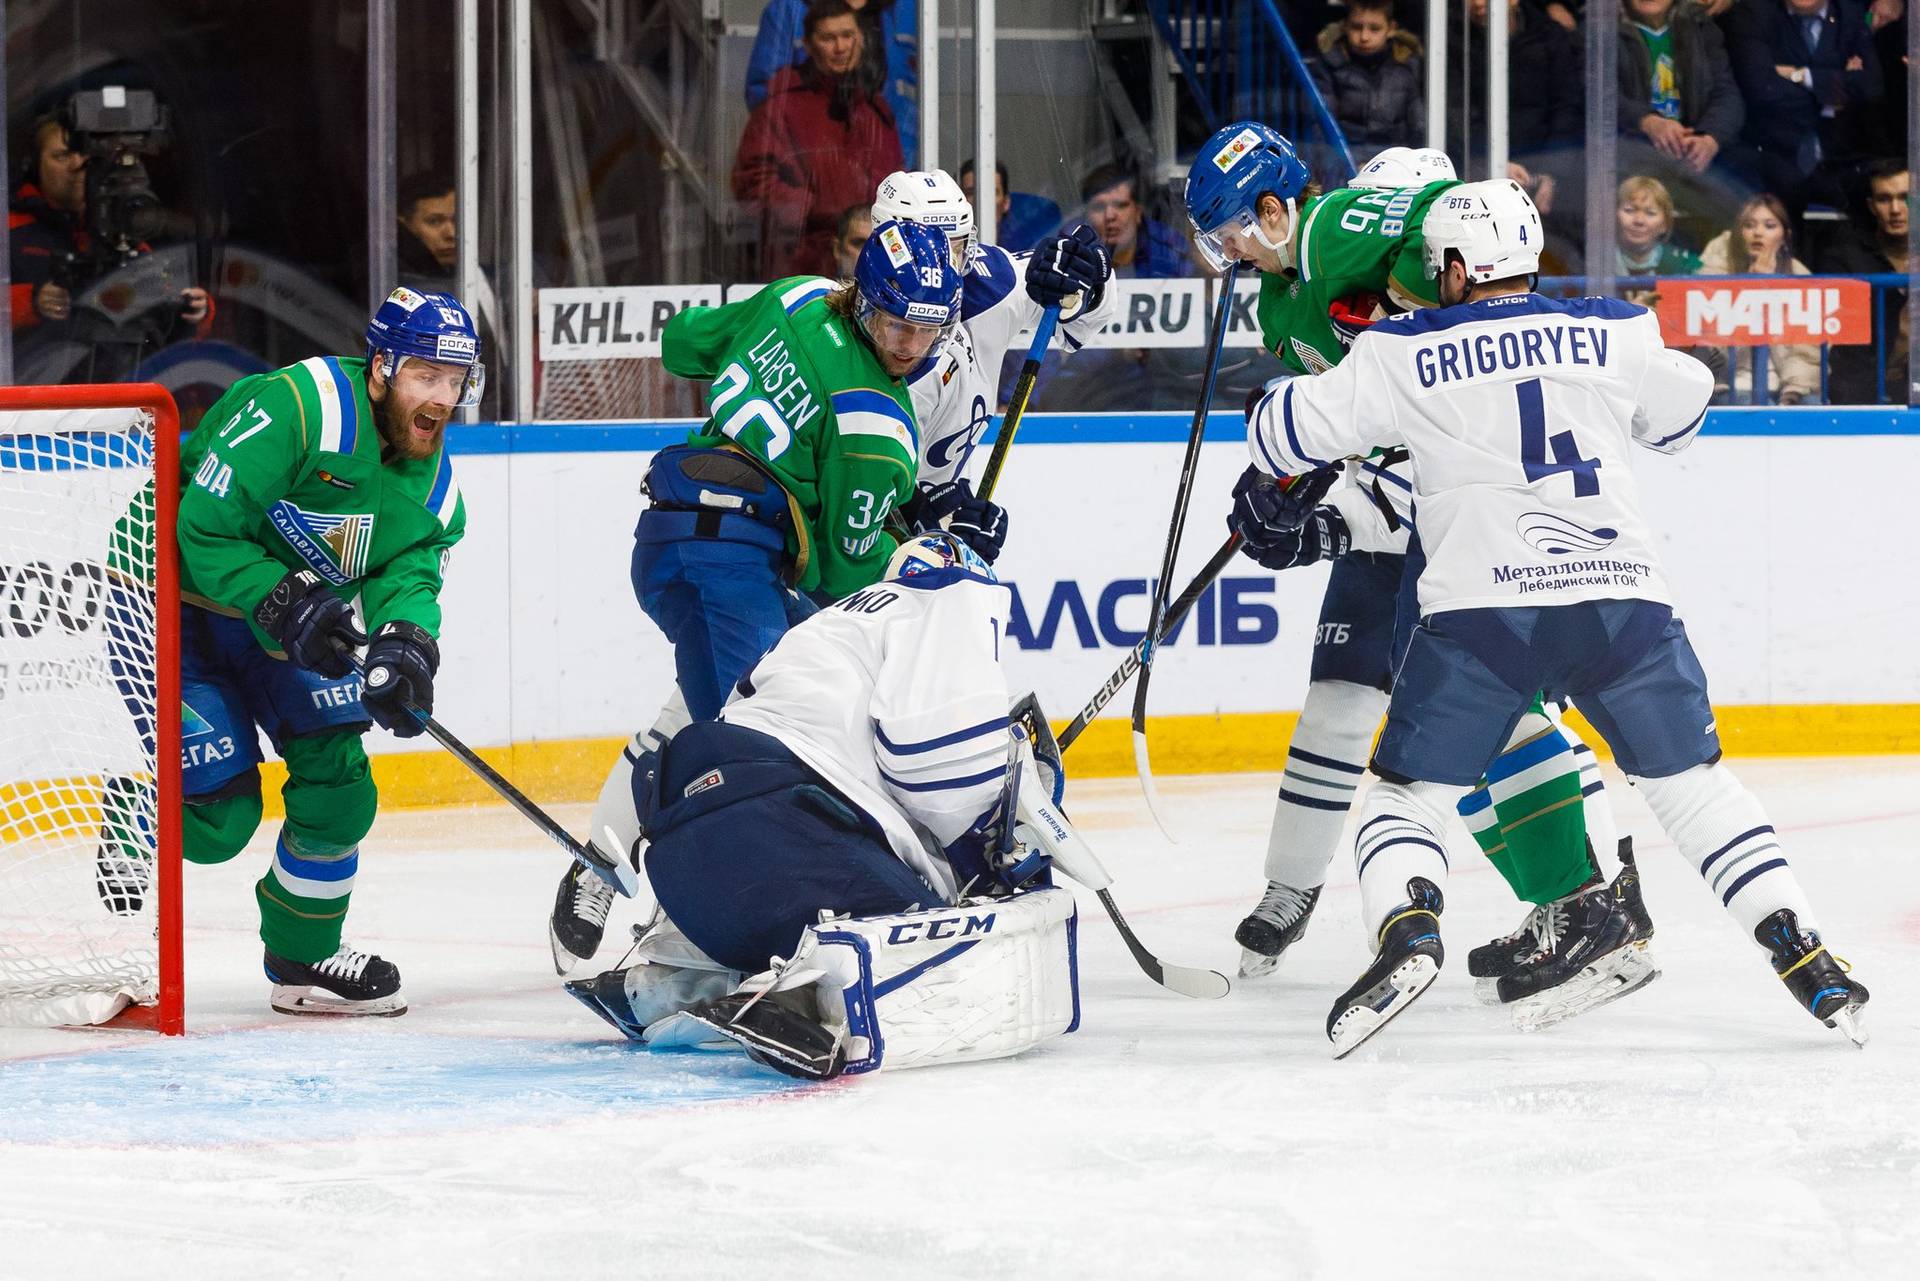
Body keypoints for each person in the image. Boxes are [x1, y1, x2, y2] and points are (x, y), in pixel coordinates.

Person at [1245, 178, 1869, 1055]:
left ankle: (1409, 929)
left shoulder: (1404, 345)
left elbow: (1278, 432)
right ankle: (1804, 951)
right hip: (1625, 604)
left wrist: (1287, 458)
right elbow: (1688, 403)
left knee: (1405, 797)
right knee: (1694, 790)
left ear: (1457, 266)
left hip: (1487, 616)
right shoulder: (1615, 327)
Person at [1188, 127, 1641, 1027]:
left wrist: (1410, 311)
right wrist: (1281, 488)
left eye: (1228, 230)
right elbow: (1359, 431)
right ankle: (1578, 898)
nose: (1222, 255)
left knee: (1475, 708)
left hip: (1466, 502)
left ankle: (1592, 894)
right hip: (1425, 497)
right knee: (1406, 703)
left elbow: (1457, 221)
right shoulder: (1283, 305)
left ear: (1273, 209)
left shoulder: (1333, 229)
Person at [545, 220, 971, 971]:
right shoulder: (878, 419)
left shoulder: (799, 296)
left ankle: (600, 867)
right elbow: (842, 576)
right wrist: (914, 548)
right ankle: (688, 934)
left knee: (711, 710)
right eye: (898, 321)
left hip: (681, 534)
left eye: (927, 327)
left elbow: (682, 344)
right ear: (867, 301)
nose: (910, 343)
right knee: (756, 749)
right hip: (727, 556)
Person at [564, 533, 1083, 1081]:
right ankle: (802, 1003)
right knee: (932, 922)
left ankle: (667, 985)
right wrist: (980, 850)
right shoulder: (950, 593)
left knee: (783, 899)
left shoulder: (826, 626)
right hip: (783, 830)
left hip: (682, 861)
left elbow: (734, 719)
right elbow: (932, 761)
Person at [97, 286, 482, 1016]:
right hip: (163, 595)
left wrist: (407, 643)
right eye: (425, 375)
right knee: (218, 826)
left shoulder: (433, 485)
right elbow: (201, 530)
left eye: (455, 379)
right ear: (380, 368)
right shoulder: (301, 406)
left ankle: (302, 954)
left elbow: (411, 570)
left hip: (273, 615)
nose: (442, 396)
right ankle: (140, 804)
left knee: (340, 783)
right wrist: (285, 597)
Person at [8, 113, 211, 374]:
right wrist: (33, 301)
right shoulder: (10, 226)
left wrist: (195, 311)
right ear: (34, 164)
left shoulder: (121, 232)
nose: (76, 166)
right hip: (34, 386)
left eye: (86, 157)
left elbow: (164, 309)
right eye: (61, 156)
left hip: (120, 383)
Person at [732, 0, 904, 279]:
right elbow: (751, 182)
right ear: (809, 46)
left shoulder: (876, 112)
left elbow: (897, 181)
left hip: (874, 268)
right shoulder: (781, 107)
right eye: (828, 38)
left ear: (861, 40)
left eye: (847, 35)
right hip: (802, 269)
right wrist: (810, 207)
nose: (840, 47)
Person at [1722, 0, 1884, 226]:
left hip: (1838, 159)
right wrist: (1836, 90)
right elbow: (1761, 89)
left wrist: (1801, 75)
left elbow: (1871, 87)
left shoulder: (1849, 10)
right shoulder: (1753, 12)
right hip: (1773, 157)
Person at [1614, 0, 1749, 237]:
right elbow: (1595, 94)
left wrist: (1709, 138)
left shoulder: (1700, 26)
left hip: (1691, 150)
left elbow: (1726, 93)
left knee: (1744, 183)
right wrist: (1648, 122)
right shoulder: (1601, 29)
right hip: (1632, 151)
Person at [745, 0, 918, 168]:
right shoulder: (789, 9)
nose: (840, 47)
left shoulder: (914, 8)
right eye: (827, 38)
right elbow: (764, 96)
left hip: (897, 166)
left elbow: (927, 90)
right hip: (812, 172)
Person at [1699, 193, 1821, 404]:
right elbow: (1713, 348)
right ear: (1738, 234)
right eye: (1749, 225)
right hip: (1729, 386)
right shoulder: (1713, 275)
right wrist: (1752, 288)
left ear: (1785, 236)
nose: (1758, 233)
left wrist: (1793, 391)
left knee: (1812, 407)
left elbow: (1809, 352)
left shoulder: (1801, 278)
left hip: (1790, 386)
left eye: (1769, 226)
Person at [1817, 158, 1909, 404]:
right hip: (1861, 392)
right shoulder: (1844, 259)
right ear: (1871, 206)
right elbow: (1848, 348)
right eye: (1884, 199)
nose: (1896, 209)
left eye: (1905, 197)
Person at [1308, 0, 1427, 154]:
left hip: (1397, 163)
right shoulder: (1328, 64)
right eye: (1356, 27)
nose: (1364, 37)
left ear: (1391, 29)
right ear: (1344, 26)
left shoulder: (1408, 67)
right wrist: (1344, 165)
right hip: (1345, 164)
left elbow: (1418, 127)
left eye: (1375, 29)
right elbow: (1321, 126)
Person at [1080, 164, 1191, 279]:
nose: (1109, 216)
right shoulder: (1069, 251)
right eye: (1099, 207)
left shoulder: (1170, 252)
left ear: (1138, 212)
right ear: (1086, 215)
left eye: (1120, 205)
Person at [958, 158, 1062, 254]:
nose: (981, 200)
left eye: (991, 192)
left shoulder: (1025, 248)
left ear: (1006, 203)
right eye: (971, 192)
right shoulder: (952, 247)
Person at [396, 173, 456, 282]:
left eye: (457, 220)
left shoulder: (477, 274)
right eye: (434, 221)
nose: (451, 234)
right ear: (404, 226)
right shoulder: (392, 280)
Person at [831, 202, 872, 279]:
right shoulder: (818, 290)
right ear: (837, 249)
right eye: (859, 243)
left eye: (878, 245)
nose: (868, 255)